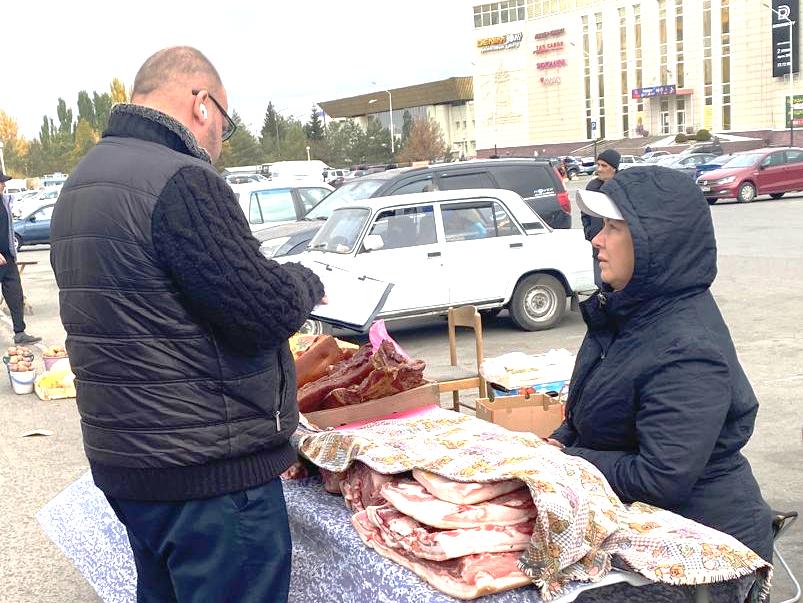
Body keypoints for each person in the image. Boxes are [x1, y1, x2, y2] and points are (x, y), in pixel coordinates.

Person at [50, 47, 325, 603]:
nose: (222, 138)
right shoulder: (181, 180)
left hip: (130, 462)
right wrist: (305, 277)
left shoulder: (83, 180)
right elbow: (262, 312)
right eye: (224, 119)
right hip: (207, 474)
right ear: (202, 104)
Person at [547, 166, 773, 601]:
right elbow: (584, 415)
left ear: (655, 243)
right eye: (601, 227)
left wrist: (568, 461)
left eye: (613, 229)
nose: (597, 240)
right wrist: (558, 442)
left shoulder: (687, 348)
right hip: (643, 526)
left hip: (704, 548)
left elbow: (661, 477)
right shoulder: (625, 314)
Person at [0, 172, 41, 345]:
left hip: (8, 258)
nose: (4, 185)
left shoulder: (4, 201)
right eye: (2, 182)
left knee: (16, 295)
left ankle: (20, 332)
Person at [583, 149, 620, 286]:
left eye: (604, 166)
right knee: (601, 285)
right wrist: (589, 233)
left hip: (617, 248)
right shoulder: (592, 187)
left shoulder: (623, 186)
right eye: (598, 165)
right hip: (598, 247)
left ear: (614, 168)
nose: (599, 169)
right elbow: (585, 213)